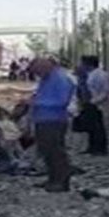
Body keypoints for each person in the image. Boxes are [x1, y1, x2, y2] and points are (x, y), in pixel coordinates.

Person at [29, 56, 76, 192]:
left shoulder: (61, 79)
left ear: (45, 67)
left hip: (53, 119)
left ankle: (61, 181)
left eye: (38, 71)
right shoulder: (48, 77)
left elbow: (62, 101)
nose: (38, 75)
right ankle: (52, 178)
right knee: (46, 151)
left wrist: (36, 102)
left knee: (54, 151)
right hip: (44, 119)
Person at [75, 55, 109, 155]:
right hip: (92, 103)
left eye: (82, 63)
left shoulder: (101, 75)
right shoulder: (91, 74)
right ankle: (92, 147)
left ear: (88, 64)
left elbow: (106, 91)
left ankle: (100, 149)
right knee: (91, 126)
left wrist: (94, 101)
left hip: (97, 104)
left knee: (98, 127)